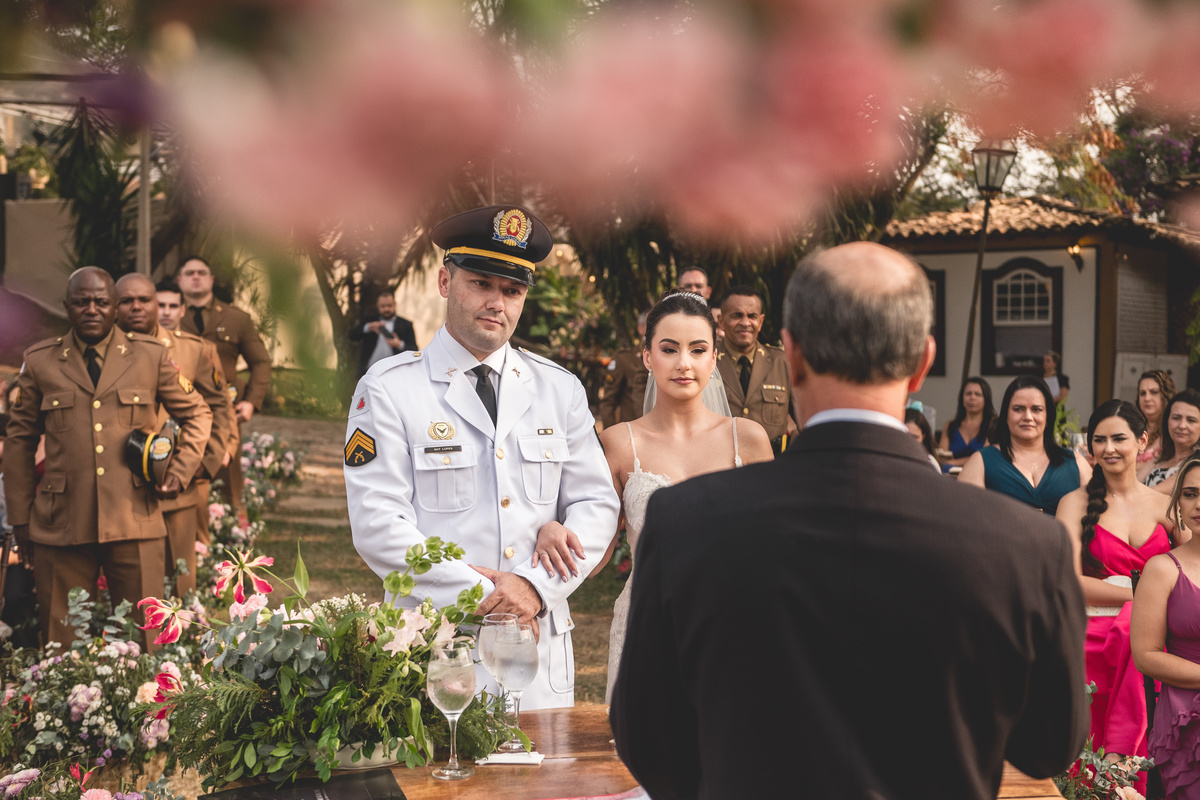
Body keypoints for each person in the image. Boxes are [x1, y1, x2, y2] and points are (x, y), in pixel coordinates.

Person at [610, 242, 1089, 800]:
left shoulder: (685, 523)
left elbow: (648, 739)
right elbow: (1048, 746)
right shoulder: (1026, 544)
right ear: (923, 363)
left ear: (790, 354)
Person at [343, 205, 620, 710]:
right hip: (434, 645)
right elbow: (378, 525)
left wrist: (533, 589)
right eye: (482, 284)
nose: (497, 303)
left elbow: (597, 505)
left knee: (539, 786)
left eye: (512, 291)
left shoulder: (559, 389)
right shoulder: (388, 390)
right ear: (446, 282)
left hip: (537, 646)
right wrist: (490, 598)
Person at [532, 291, 772, 702]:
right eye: (669, 349)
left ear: (715, 358)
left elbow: (773, 553)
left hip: (732, 627)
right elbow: (594, 556)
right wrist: (550, 529)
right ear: (647, 356)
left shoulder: (747, 438)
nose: (684, 363)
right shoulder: (618, 443)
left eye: (698, 349)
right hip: (646, 626)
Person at [2, 267, 212, 646]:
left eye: (101, 301)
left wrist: (179, 472)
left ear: (114, 306)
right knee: (60, 642)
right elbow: (18, 443)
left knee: (145, 642)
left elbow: (198, 413)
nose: (92, 309)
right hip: (61, 524)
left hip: (134, 518)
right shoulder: (40, 362)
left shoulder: (150, 357)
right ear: (67, 307)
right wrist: (19, 519)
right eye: (82, 302)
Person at [1056, 400, 1172, 790]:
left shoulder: (1166, 505)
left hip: (1156, 631)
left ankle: (1121, 762)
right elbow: (1067, 580)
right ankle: (1108, 768)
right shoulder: (1072, 504)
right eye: (1099, 440)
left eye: (1119, 438)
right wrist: (1138, 599)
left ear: (1142, 441)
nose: (1108, 448)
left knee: (1138, 636)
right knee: (1127, 631)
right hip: (1093, 629)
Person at [116, 274, 235, 598]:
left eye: (147, 301)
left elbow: (217, 406)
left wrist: (202, 464)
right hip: (119, 480)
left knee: (180, 572)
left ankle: (184, 635)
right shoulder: (107, 348)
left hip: (177, 476)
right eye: (127, 301)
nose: (138, 308)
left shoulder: (193, 349)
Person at [176, 255, 272, 515]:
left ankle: (232, 529)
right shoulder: (168, 316)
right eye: (189, 272)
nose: (196, 277)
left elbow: (261, 362)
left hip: (224, 409)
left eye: (201, 272)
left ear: (211, 279)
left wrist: (251, 402)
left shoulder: (236, 319)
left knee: (227, 472)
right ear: (179, 280)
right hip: (178, 409)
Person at [1132, 453, 1200, 799]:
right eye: (1190, 493)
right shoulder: (1162, 569)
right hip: (1188, 711)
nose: (1199, 504)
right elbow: (1145, 655)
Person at [959, 375, 1091, 515]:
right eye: (1018, 409)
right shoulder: (981, 461)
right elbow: (966, 521)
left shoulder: (1075, 463)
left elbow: (1100, 517)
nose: (1028, 417)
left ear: (1048, 417)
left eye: (1037, 409)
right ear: (1006, 416)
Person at [714, 285, 797, 453]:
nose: (745, 323)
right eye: (737, 316)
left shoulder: (782, 362)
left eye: (752, 316)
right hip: (719, 465)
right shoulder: (707, 361)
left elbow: (801, 420)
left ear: (760, 321)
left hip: (772, 468)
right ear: (721, 321)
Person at [348, 288, 417, 379]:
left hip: (395, 375)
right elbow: (352, 336)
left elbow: (415, 350)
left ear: (395, 304)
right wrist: (367, 328)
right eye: (383, 306)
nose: (386, 309)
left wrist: (399, 344)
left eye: (389, 305)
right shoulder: (369, 321)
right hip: (368, 373)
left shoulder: (406, 324)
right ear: (377, 305)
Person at [599, 309, 650, 429]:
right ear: (640, 329)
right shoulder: (625, 359)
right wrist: (612, 437)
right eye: (650, 325)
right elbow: (608, 403)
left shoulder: (669, 360)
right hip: (632, 434)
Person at [1145, 388, 1200, 493]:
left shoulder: (1196, 462)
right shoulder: (1161, 456)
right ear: (1167, 421)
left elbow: (1153, 493)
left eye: (1191, 420)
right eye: (1176, 418)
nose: (1182, 425)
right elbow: (1135, 483)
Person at [938, 377, 995, 473]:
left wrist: (952, 462)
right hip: (950, 476)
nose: (972, 398)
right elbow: (941, 457)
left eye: (978, 394)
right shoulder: (950, 425)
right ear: (962, 398)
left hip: (981, 475)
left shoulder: (992, 424)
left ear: (986, 399)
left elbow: (985, 458)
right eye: (968, 394)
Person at [1136, 369, 1177, 484]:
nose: (1147, 398)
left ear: (1166, 395)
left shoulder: (1175, 430)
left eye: (1154, 392)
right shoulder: (1133, 427)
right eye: (1142, 393)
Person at [905, 406, 940, 472]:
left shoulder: (931, 463)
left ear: (923, 437)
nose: (910, 441)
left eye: (915, 437)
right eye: (906, 436)